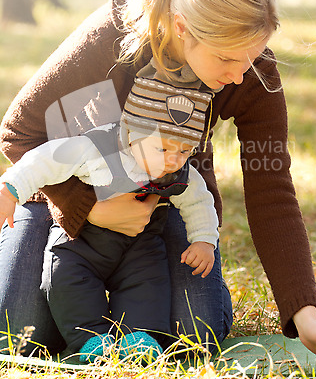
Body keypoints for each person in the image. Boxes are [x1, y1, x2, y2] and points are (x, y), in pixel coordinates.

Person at [0, 0, 316, 362]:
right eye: (227, 58)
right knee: (18, 328)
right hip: (66, 189)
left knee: (196, 332)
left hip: (161, 204)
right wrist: (85, 206)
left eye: (251, 57)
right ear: (181, 27)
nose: (239, 75)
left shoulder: (250, 69)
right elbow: (19, 130)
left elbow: (272, 191)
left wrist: (305, 316)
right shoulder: (114, 36)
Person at [0, 76, 219, 361]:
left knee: (149, 284)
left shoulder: (178, 167)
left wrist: (204, 240)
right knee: (66, 280)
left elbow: (198, 199)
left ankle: (139, 339)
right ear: (131, 133)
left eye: (185, 150)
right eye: (163, 149)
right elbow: (44, 160)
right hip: (80, 241)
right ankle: (91, 340)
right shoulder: (94, 148)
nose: (174, 160)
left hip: (140, 245)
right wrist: (10, 190)